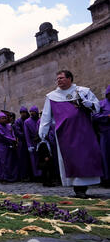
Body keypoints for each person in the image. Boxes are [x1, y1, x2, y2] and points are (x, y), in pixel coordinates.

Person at [39, 70, 103, 198]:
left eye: (61, 78)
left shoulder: (83, 91)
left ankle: (83, 187)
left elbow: (97, 107)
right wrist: (43, 132)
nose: (59, 81)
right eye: (57, 79)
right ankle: (78, 188)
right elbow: (46, 115)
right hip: (65, 133)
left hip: (84, 130)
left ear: (70, 78)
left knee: (85, 157)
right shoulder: (52, 96)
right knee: (71, 159)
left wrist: (87, 103)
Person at [93, 85, 110, 187]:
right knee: (106, 156)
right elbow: (94, 116)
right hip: (105, 134)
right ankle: (106, 179)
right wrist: (106, 117)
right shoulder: (101, 104)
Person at [0, 112, 18, 182]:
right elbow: (2, 136)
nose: (4, 120)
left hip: (10, 145)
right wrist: (12, 140)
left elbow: (12, 133)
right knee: (3, 162)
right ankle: (3, 177)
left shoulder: (9, 126)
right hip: (3, 146)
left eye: (5, 118)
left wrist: (14, 139)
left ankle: (11, 176)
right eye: (2, 118)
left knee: (10, 162)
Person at [13, 107, 31, 181]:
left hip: (30, 142)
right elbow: (17, 132)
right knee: (23, 160)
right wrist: (26, 136)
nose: (23, 114)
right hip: (22, 142)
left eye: (24, 112)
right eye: (22, 112)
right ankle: (23, 176)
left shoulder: (29, 120)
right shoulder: (18, 122)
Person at [24, 106, 42, 180]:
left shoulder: (41, 120)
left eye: (33, 112)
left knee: (41, 158)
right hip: (32, 142)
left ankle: (42, 174)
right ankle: (36, 175)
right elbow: (27, 134)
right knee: (34, 160)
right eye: (31, 112)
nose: (32, 113)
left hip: (40, 141)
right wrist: (29, 145)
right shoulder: (27, 122)